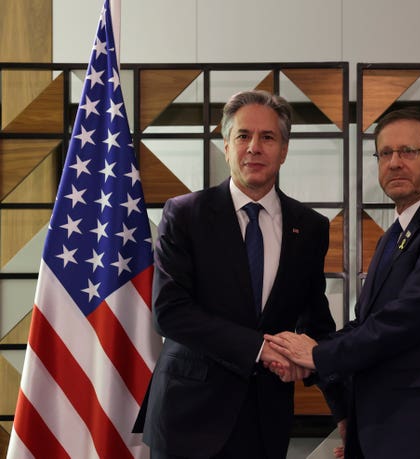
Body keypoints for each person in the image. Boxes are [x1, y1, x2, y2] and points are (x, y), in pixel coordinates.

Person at [266, 109, 420, 458]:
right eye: (386, 153)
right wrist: (306, 354)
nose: (394, 163)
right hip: (388, 426)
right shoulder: (393, 236)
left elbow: (407, 319)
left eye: (408, 152)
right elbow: (367, 323)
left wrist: (316, 354)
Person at [135, 90, 336, 459]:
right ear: (226, 146)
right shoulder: (185, 214)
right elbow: (170, 311)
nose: (254, 148)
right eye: (243, 136)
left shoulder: (310, 227)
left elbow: (314, 321)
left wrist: (338, 405)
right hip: (188, 419)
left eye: (268, 137)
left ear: (285, 150)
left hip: (266, 420)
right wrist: (260, 349)